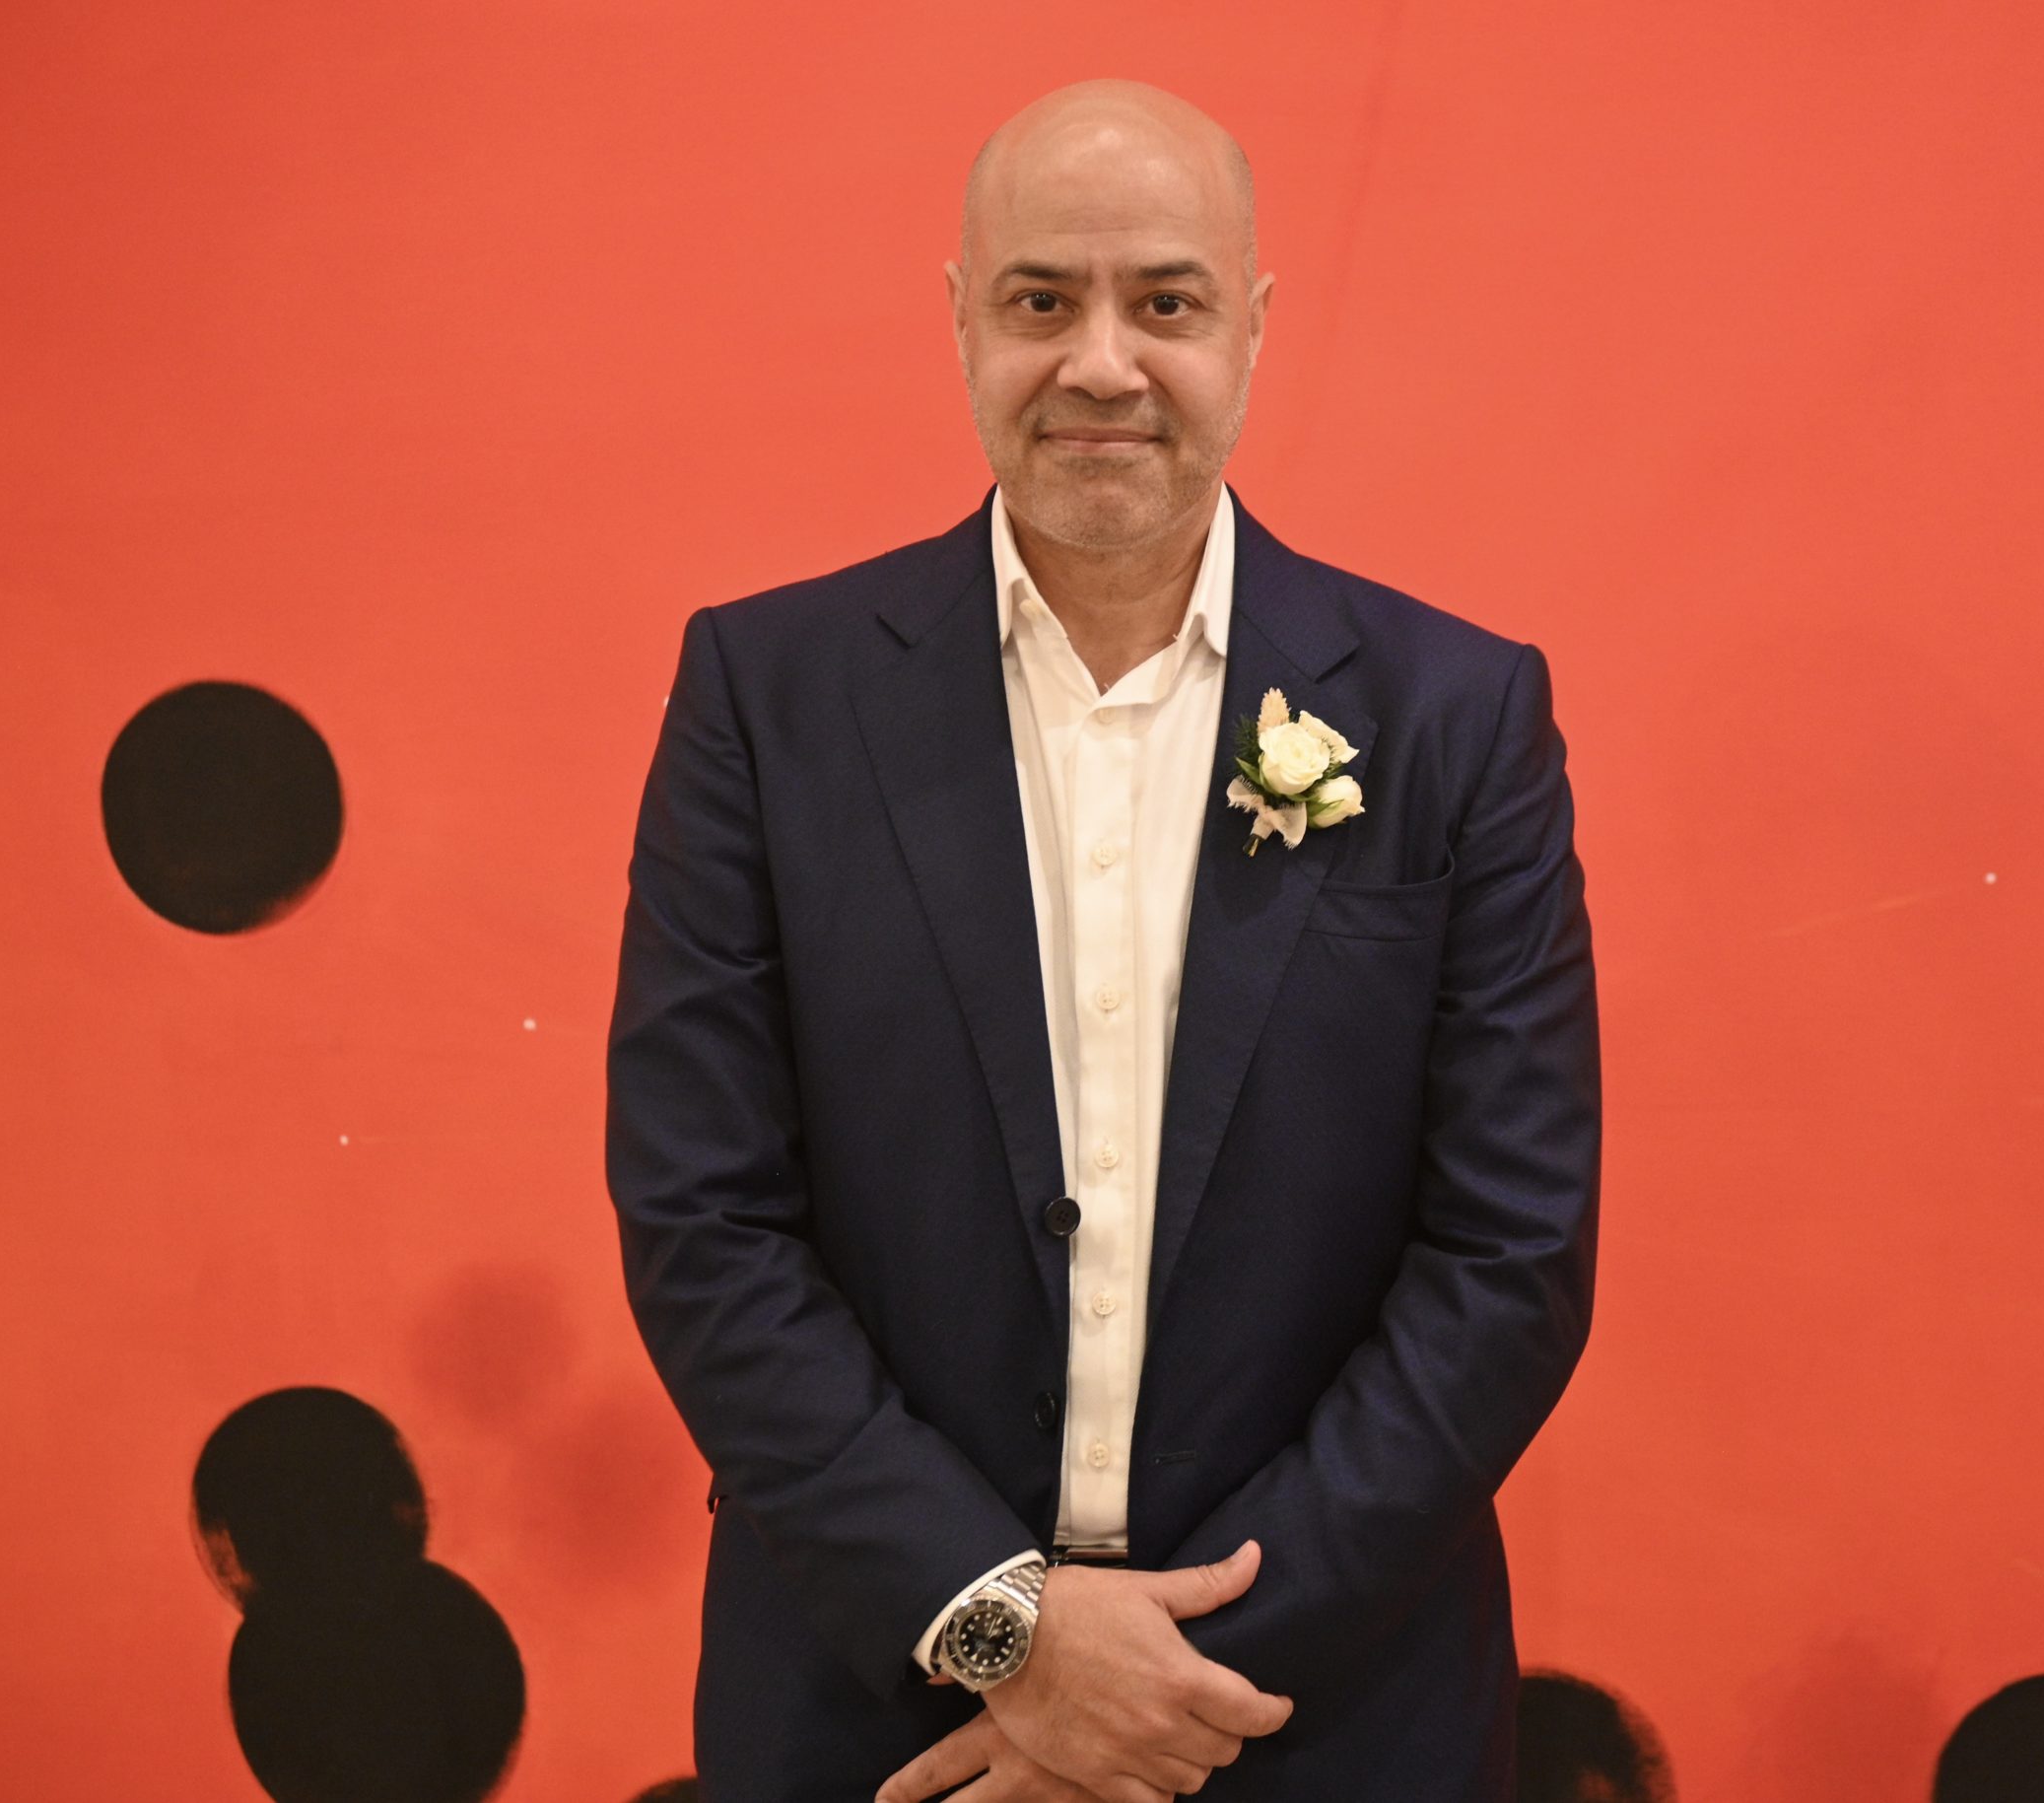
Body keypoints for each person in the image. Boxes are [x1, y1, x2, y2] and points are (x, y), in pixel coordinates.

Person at [605, 77, 1601, 1801]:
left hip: (1317, 1710)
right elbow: (704, 1222)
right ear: (961, 318)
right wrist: (1007, 1633)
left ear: (1254, 324)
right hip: (884, 1703)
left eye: (1167, 302)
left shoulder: (1459, 717)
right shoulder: (765, 701)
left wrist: (1169, 1681)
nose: (1102, 364)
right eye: (1041, 300)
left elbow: (1507, 1258)